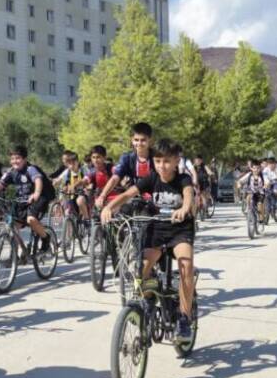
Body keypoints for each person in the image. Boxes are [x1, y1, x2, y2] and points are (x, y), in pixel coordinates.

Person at [101, 139, 196, 343]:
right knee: (141, 268)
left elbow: (188, 195)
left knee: (186, 265)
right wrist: (109, 207)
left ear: (176, 161)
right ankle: (148, 298)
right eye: (158, 161)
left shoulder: (183, 179)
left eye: (167, 161)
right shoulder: (152, 178)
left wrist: (184, 208)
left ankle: (184, 317)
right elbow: (129, 193)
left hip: (180, 229)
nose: (162, 166)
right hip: (157, 229)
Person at [0, 144, 55, 251]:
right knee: (13, 225)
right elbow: (0, 184)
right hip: (23, 199)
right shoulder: (11, 171)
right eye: (12, 159)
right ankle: (16, 254)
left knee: (31, 219)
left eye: (18, 158)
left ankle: (45, 238)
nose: (14, 161)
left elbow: (38, 180)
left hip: (39, 198)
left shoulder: (30, 169)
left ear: (25, 159)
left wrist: (36, 193)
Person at [97, 121, 154, 209]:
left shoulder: (157, 158)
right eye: (136, 140)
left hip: (155, 198)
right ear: (132, 140)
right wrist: (102, 195)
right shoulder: (127, 158)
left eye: (143, 140)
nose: (139, 143)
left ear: (150, 140)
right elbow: (115, 178)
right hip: (132, 197)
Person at [54, 150, 91, 219]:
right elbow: (60, 178)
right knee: (68, 211)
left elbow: (87, 179)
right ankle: (69, 224)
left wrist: (84, 187)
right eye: (69, 164)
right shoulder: (67, 171)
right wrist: (55, 181)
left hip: (83, 193)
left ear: (77, 162)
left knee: (80, 201)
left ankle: (86, 219)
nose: (72, 166)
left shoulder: (83, 169)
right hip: (72, 194)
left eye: (74, 163)